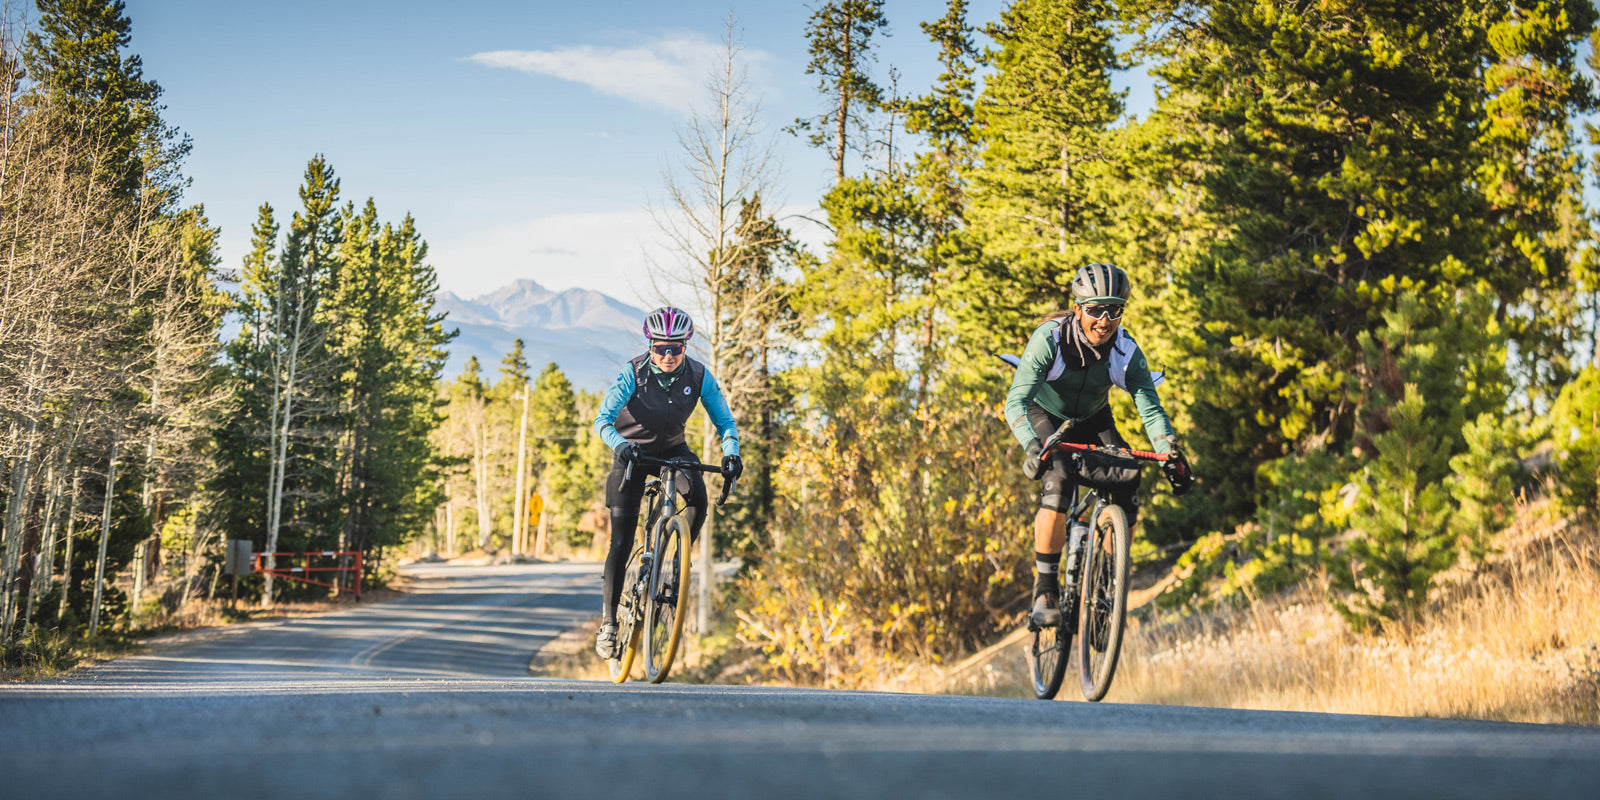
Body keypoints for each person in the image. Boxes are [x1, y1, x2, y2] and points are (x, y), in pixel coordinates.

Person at [1004, 262, 1193, 628]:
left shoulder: (1126, 351)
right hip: (1043, 415)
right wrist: (1031, 445)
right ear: (1078, 309)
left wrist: (1169, 450)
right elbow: (1016, 402)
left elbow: (1150, 409)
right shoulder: (1050, 340)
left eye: (1115, 311)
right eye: (1095, 310)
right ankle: (1045, 590)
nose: (1105, 321)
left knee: (1128, 477)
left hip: (1093, 419)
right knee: (1057, 480)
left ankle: (1108, 583)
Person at [591, 306, 741, 659]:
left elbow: (725, 422)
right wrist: (621, 446)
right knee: (621, 542)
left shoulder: (699, 376)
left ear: (686, 347)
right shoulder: (633, 373)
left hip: (673, 449)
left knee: (699, 500)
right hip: (632, 454)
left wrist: (731, 453)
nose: (668, 355)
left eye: (676, 348)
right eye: (661, 348)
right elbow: (602, 419)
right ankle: (610, 623)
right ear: (650, 346)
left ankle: (673, 562)